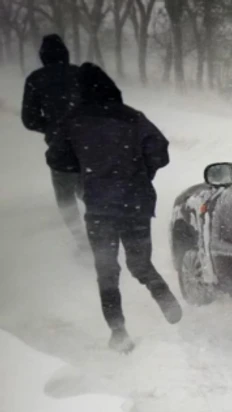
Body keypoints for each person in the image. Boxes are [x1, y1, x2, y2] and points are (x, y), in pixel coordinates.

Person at [46, 63, 182, 353]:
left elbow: (57, 159)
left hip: (99, 206)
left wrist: (84, 170)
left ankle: (118, 332)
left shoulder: (74, 121)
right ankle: (167, 302)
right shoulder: (132, 117)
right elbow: (160, 149)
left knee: (107, 270)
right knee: (139, 263)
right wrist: (141, 172)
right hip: (136, 203)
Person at [21, 34, 86, 250]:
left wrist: (50, 127)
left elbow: (29, 119)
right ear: (65, 54)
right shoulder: (80, 75)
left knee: (66, 198)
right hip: (87, 146)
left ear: (43, 57)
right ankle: (103, 235)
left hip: (60, 150)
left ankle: (81, 240)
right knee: (90, 192)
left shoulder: (35, 80)